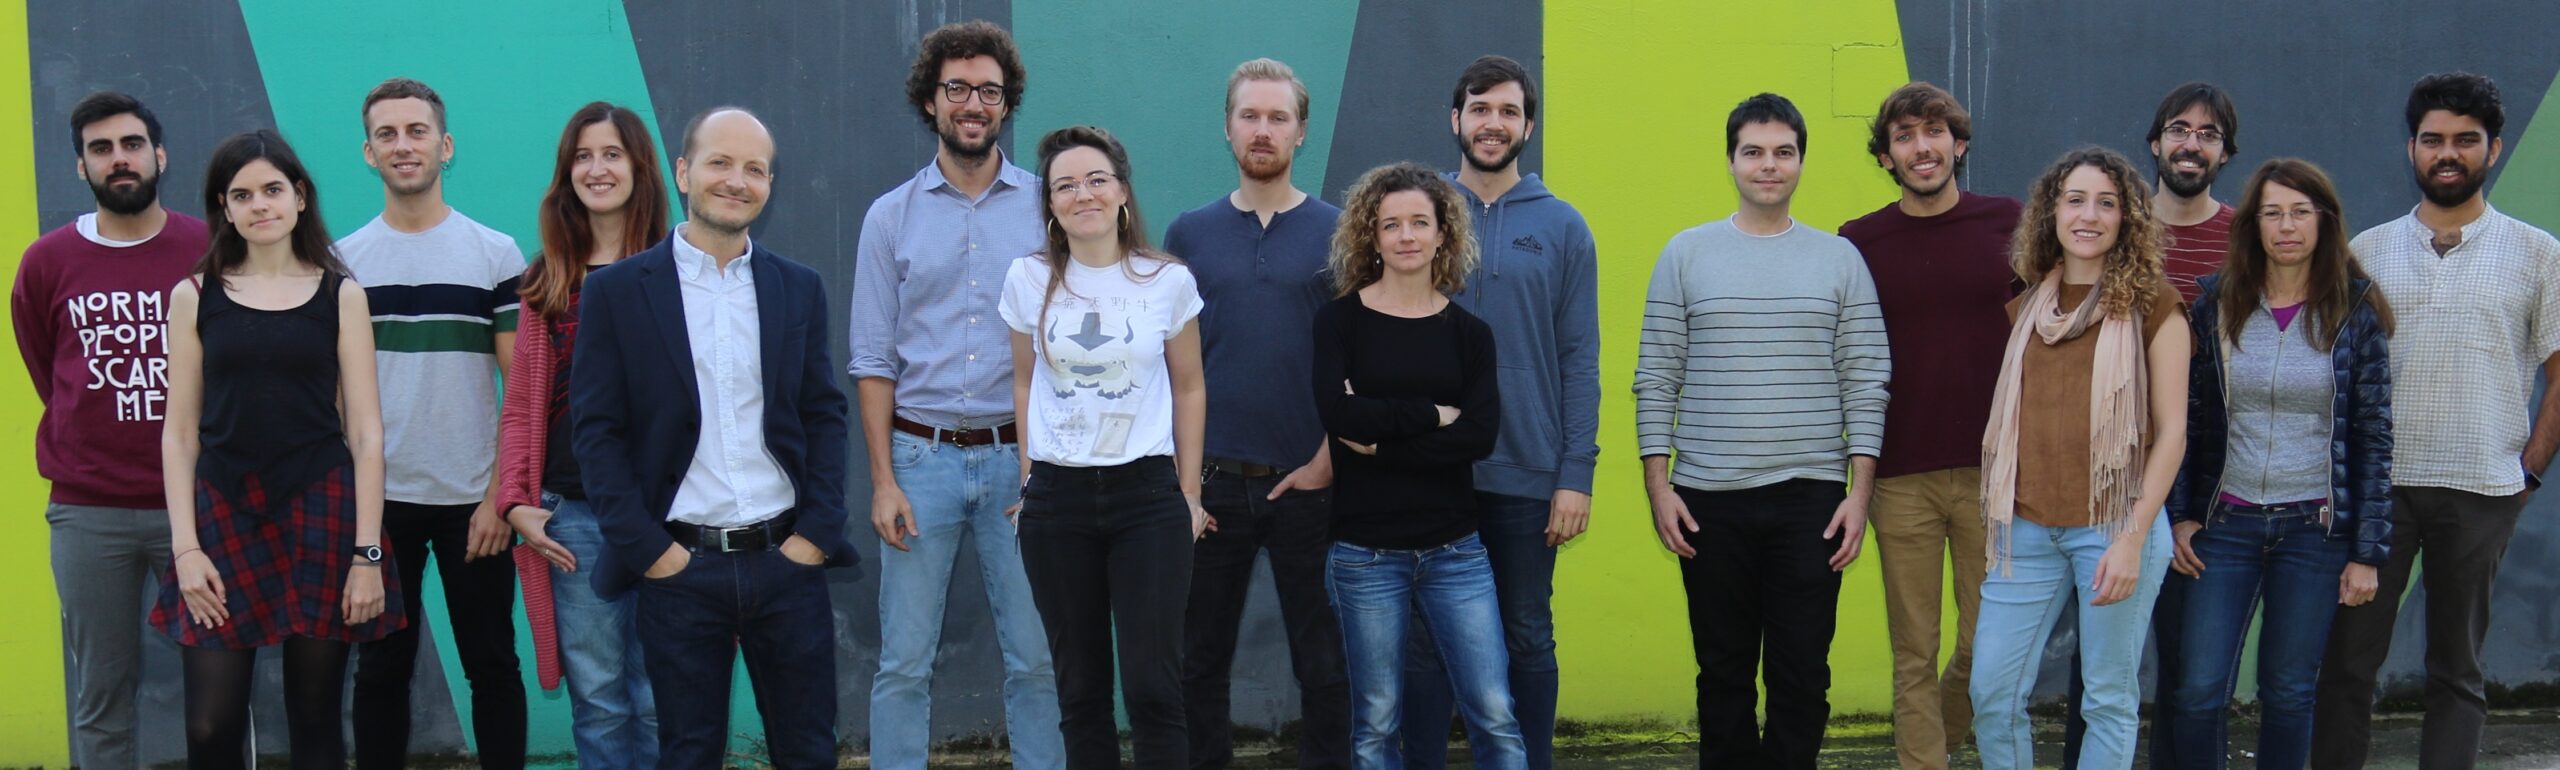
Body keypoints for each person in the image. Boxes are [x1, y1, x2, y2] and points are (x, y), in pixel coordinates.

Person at [569, 106, 858, 769]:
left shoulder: (798, 288)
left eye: (754, 168)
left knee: (808, 751)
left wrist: (815, 533)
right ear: (683, 173)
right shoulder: (616, 293)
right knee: (689, 753)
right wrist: (649, 552)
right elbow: (598, 435)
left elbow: (822, 414)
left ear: (769, 183)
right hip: (679, 570)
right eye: (720, 163)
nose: (737, 180)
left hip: (787, 564)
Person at [2314, 71, 2560, 770]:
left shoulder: (2538, 253)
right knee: (2349, 666)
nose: (2447, 153)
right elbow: (2339, 372)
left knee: (2457, 671)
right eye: (2433, 140)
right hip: (2378, 492)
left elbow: (2558, 375)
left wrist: (2528, 470)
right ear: (2412, 149)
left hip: (2484, 488)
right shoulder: (2368, 248)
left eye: (2464, 140)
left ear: (2495, 148)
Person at [1634, 93, 1888, 770]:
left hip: (1811, 500)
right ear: (1731, 160)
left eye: (1783, 152)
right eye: (1754, 151)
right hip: (1707, 499)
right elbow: (1656, 375)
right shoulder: (1685, 254)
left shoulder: (1840, 260)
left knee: (1802, 675)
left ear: (1802, 161)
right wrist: (1659, 489)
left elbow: (1867, 379)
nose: (1768, 165)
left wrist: (1858, 495)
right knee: (1722, 675)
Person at [152, 128, 403, 769]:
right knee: (210, 728)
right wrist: (185, 550)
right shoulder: (195, 295)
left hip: (322, 511)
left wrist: (367, 554)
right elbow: (180, 433)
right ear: (224, 207)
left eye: (272, 189)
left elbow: (367, 432)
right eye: (242, 194)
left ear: (298, 198)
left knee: (316, 722)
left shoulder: (341, 294)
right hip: (221, 513)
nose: (259, 204)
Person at [849, 21, 1063, 769]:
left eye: (990, 92)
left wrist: (1046, 467)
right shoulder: (890, 216)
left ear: (1007, 106)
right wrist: (882, 481)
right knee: (903, 664)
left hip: (1021, 462)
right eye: (958, 89)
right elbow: (872, 360)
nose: (974, 104)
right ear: (931, 100)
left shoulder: (1048, 210)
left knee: (1037, 660)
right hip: (920, 461)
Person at [2167, 158, 2394, 770]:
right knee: (2197, 689)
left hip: (2314, 530)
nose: (2286, 226)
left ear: (2324, 222)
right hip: (2226, 527)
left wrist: (2366, 550)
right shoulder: (2217, 304)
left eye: (2300, 212)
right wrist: (2182, 516)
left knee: (2290, 693)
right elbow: (2186, 421)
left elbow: (2373, 437)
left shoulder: (2355, 312)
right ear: (2253, 225)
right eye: (2272, 213)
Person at [1405, 55, 1598, 770]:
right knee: (1422, 637)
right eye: (1480, 108)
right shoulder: (1415, 216)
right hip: (1430, 472)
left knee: (1525, 632)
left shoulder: (1564, 227)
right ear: (1455, 119)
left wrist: (1574, 474)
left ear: (1528, 126)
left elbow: (1580, 358)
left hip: (1526, 471)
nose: (1493, 123)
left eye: (1508, 111)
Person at [1969, 146, 2186, 770]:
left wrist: (2131, 538)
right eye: (2075, 200)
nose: (2089, 215)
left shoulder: (2155, 306)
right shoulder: (2030, 306)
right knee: (1991, 690)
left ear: (2127, 220)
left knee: (2109, 699)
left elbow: (2171, 433)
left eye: (2107, 203)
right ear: (2051, 214)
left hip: (2116, 529)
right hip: (2027, 528)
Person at [11, 90, 209, 770]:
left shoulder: (209, 246)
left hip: (200, 503)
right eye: (100, 149)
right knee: (101, 694)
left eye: (130, 145)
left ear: (159, 155)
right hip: (89, 510)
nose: (117, 160)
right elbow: (50, 370)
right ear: (81, 167)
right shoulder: (46, 260)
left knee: (219, 688)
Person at [1001, 124, 1209, 770]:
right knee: (1081, 690)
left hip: (1146, 496)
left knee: (1153, 688)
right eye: (1065, 185)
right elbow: (1024, 377)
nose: (1081, 194)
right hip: (1058, 503)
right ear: (1051, 206)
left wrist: (1189, 494)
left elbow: (1190, 386)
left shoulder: (1165, 281)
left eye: (1096, 180)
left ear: (1122, 192)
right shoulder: (1026, 279)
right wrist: (1031, 475)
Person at [338, 77, 528, 770]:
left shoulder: (494, 254)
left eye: (416, 131)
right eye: (387, 134)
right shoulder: (342, 264)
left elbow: (521, 390)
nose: (403, 145)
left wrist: (498, 498)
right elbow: (338, 402)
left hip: (472, 505)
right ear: (367, 153)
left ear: (445, 146)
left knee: (491, 663)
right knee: (382, 669)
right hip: (379, 507)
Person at [1169, 57, 1352, 770]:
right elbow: (1173, 365)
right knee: (1198, 661)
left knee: (1325, 663)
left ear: (1301, 132)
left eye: (1279, 117)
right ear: (1228, 127)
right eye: (1251, 115)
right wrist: (1184, 484)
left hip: (1311, 480)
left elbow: (1360, 359)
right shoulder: (1190, 234)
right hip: (1211, 484)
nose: (1263, 129)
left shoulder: (1341, 233)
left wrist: (1330, 459)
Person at [2062, 81, 2245, 770]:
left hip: (2201, 480)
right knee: (2101, 660)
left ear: (2225, 152)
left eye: (2207, 133)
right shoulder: (2111, 230)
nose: (2190, 143)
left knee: (2189, 670)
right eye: (2179, 128)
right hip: (2107, 474)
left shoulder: (2243, 239)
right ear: (2154, 142)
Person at [1836, 81, 2019, 770]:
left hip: (1992, 473)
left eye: (1934, 132)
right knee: (1914, 650)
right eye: (1905, 136)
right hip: (1900, 476)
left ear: (1959, 143)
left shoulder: (2008, 221)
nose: (1922, 147)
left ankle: (1938, 738)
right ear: (1885, 156)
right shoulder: (1858, 242)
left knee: (1985, 644)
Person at [1313, 161, 1519, 770]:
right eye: (1391, 224)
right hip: (1364, 555)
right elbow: (1338, 416)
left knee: (1494, 712)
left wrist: (1382, 435)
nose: (1406, 236)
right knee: (1375, 722)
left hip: (1456, 551)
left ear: (1442, 234)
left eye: (1419, 223)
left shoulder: (1471, 335)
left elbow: (1480, 435)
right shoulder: (1339, 322)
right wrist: (1435, 415)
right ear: (1371, 237)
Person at [493, 101, 672, 769]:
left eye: (612, 154)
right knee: (599, 697)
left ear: (639, 168)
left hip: (665, 517)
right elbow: (520, 410)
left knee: (661, 694)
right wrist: (516, 502)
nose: (597, 169)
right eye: (582, 157)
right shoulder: (546, 283)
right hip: (575, 519)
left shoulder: (678, 272)